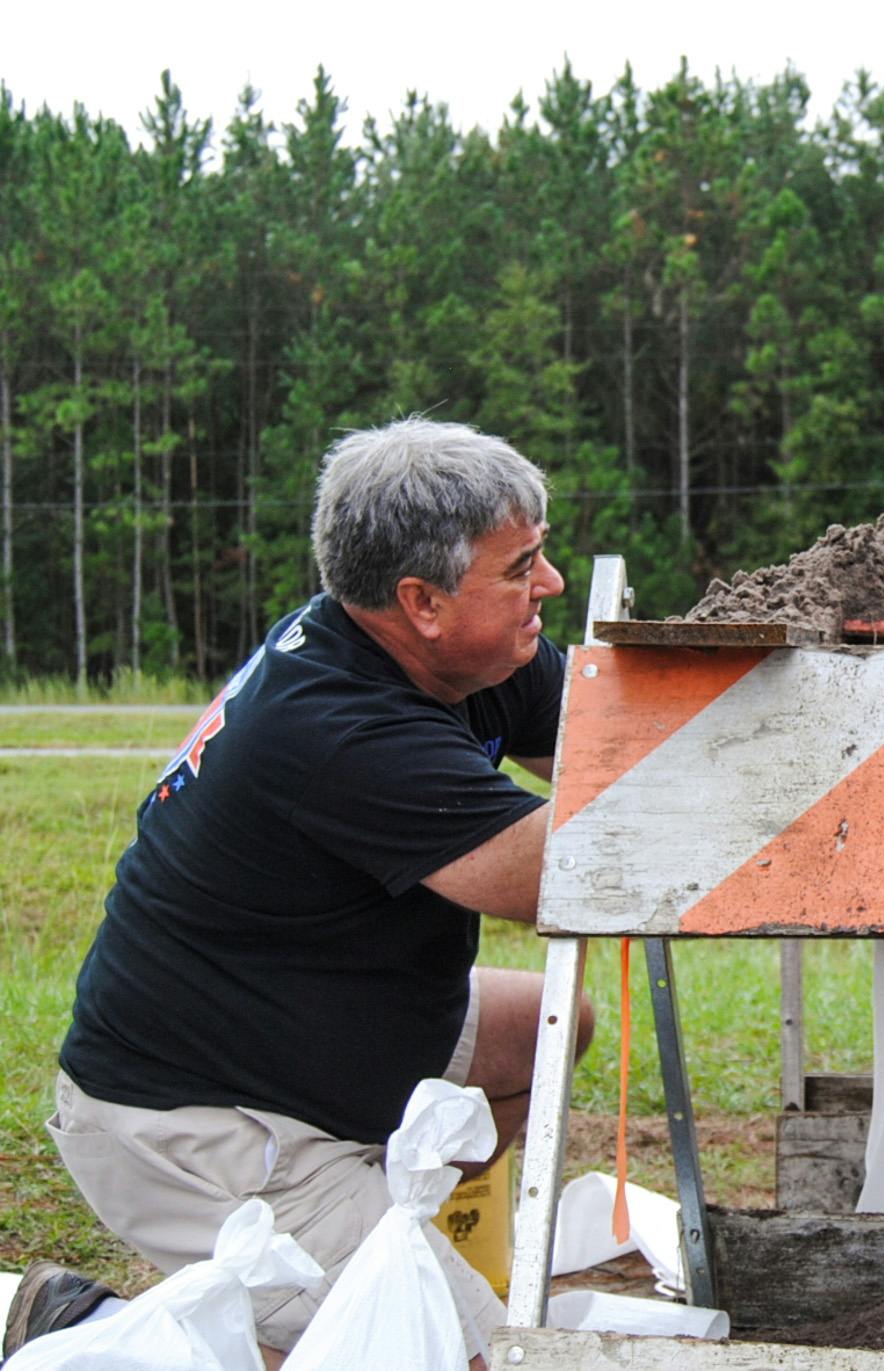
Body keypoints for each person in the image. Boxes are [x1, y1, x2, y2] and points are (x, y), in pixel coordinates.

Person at [7, 418, 595, 1369]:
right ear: (422, 600)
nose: (550, 584)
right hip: (202, 1118)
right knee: (454, 1356)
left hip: (301, 1036)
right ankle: (103, 1332)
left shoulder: (447, 654)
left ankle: (355, 1271)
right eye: (521, 564)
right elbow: (553, 869)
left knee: (549, 1027)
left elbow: (605, 731)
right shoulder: (338, 725)